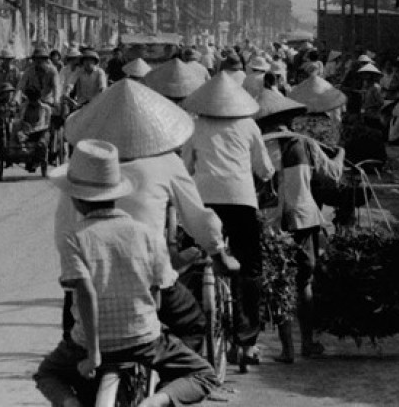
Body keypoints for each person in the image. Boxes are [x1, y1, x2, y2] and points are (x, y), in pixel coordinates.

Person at [34, 139, 218, 407]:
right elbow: (160, 288)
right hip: (143, 341)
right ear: (116, 192)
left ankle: (72, 404)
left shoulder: (74, 238)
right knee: (204, 374)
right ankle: (157, 401)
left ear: (75, 198)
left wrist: (94, 353)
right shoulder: (145, 234)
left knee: (47, 374)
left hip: (88, 343)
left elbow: (83, 293)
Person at [63, 79, 237, 354]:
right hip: (146, 278)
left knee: (72, 350)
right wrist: (218, 252)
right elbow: (198, 219)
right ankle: (169, 392)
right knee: (192, 326)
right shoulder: (165, 161)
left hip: (87, 283)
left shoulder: (84, 165)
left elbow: (63, 228)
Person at [181, 72, 274, 366]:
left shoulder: (194, 127)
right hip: (241, 201)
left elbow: (185, 166)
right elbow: (265, 169)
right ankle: (246, 344)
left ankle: (192, 337)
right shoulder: (249, 126)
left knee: (193, 260)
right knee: (250, 267)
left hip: (204, 202)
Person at [255, 88, 341, 363]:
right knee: (304, 281)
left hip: (271, 223)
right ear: (288, 119)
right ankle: (308, 341)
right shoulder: (305, 144)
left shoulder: (257, 147)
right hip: (303, 219)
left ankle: (286, 348)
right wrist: (340, 153)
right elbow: (333, 175)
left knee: (279, 281)